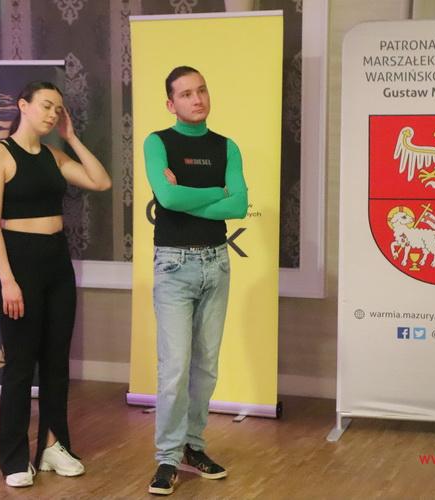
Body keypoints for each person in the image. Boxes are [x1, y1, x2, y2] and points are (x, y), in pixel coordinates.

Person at [0, 81, 111, 488]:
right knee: (20, 366)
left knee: (56, 362)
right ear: (23, 106)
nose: (53, 114)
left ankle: (53, 445)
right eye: (47, 106)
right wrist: (7, 281)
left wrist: (72, 138)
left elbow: (100, 181)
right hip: (18, 263)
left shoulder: (54, 156)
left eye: (58, 109)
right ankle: (15, 458)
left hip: (56, 261)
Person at [143, 66, 248, 495]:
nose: (197, 98)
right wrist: (217, 192)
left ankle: (193, 446)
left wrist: (191, 195)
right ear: (171, 104)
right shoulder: (158, 143)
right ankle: (167, 457)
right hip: (174, 265)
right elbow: (167, 198)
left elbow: (239, 205)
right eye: (186, 94)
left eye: (201, 90)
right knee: (174, 368)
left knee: (206, 366)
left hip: (216, 262)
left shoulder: (226, 146)